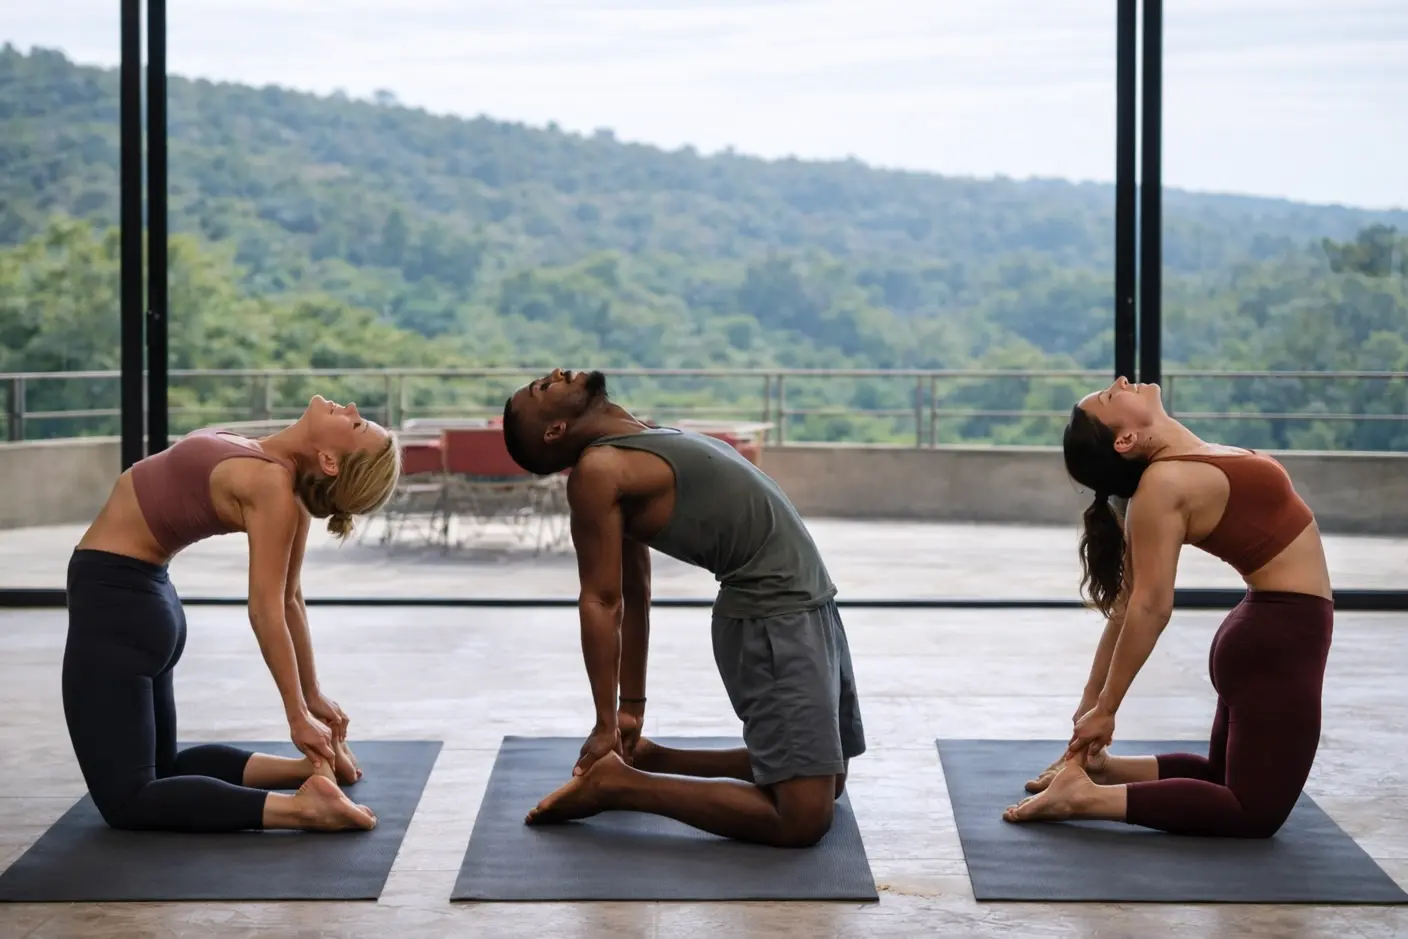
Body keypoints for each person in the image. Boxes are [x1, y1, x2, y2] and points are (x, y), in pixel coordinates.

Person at [499, 368, 865, 848]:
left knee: (828, 782)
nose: (556, 374)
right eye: (542, 389)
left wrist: (632, 713)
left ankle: (648, 760)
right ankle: (619, 786)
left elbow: (638, 591)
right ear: (554, 431)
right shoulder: (598, 471)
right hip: (774, 619)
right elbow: (604, 601)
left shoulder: (639, 439)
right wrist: (605, 722)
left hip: (809, 607)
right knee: (802, 819)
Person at [1005, 376, 1333, 838]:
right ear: (1126, 439)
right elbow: (1144, 607)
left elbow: (1127, 607)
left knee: (1222, 773)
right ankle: (1085, 798)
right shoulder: (1162, 484)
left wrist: (1090, 714)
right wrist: (1105, 708)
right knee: (1253, 811)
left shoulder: (1187, 460)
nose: (1120, 382)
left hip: (1269, 632)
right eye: (1108, 396)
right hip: (1280, 640)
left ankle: (1100, 772)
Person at [64, 395, 402, 833]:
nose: (353, 408)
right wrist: (312, 693)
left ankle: (302, 810)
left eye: (357, 426)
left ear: (329, 461)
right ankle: (308, 771)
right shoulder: (274, 468)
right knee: (163, 767)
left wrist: (298, 713)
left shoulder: (273, 487)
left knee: (127, 800)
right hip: (140, 601)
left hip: (116, 605)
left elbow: (270, 607)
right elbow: (289, 599)